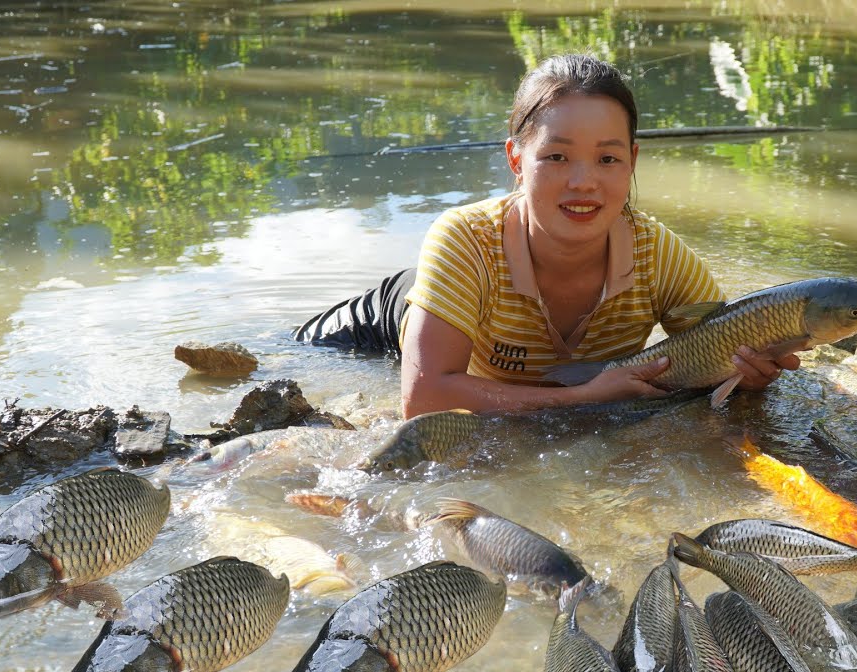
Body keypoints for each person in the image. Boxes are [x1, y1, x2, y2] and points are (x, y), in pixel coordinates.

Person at [294, 54, 798, 419]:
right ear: (516, 159)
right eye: (556, 156)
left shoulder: (658, 253)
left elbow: (723, 343)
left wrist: (748, 373)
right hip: (375, 328)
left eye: (608, 158)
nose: (584, 182)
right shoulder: (464, 239)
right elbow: (422, 400)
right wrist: (584, 397)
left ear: (633, 162)